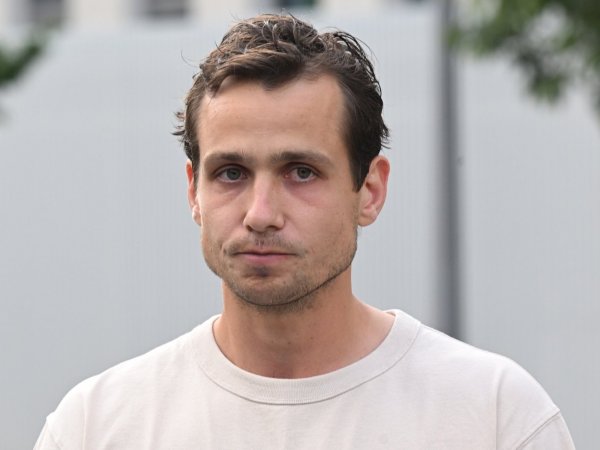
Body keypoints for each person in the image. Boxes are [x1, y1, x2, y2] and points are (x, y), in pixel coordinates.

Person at [34, 14, 575, 449]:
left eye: (301, 172)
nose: (260, 213)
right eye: (231, 173)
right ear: (193, 191)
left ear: (370, 191)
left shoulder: (495, 416)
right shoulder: (96, 427)